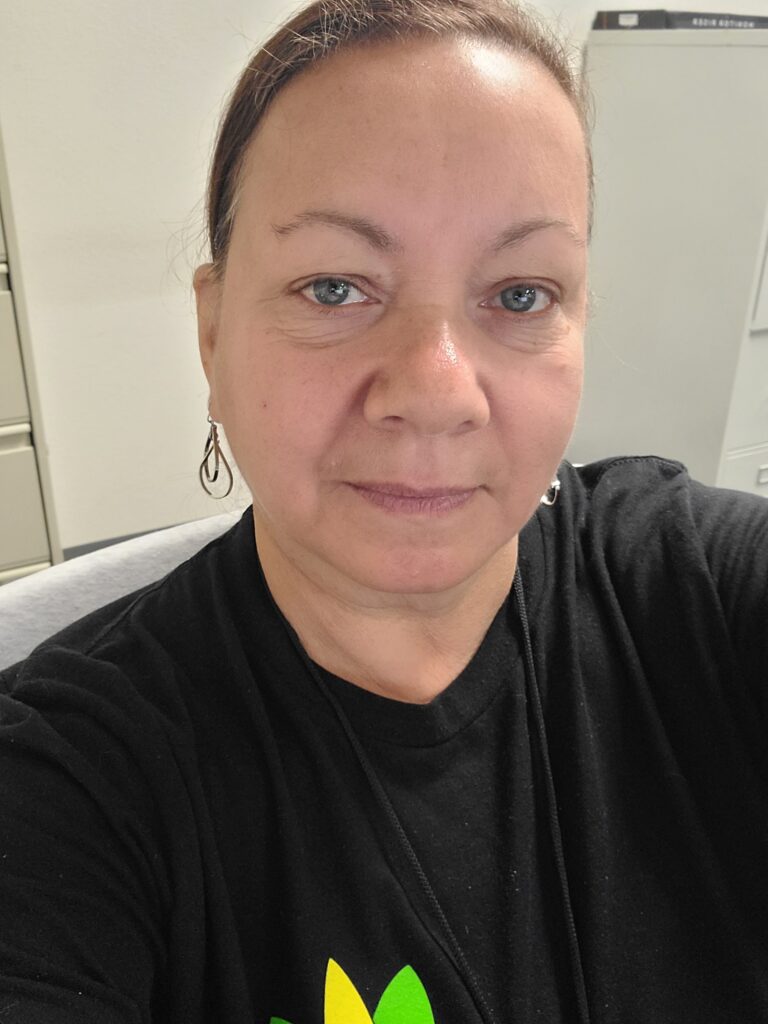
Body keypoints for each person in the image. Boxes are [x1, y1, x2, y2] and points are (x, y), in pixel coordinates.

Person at [0, 0, 766, 1021]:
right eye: (332, 287)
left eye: (523, 294)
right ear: (215, 330)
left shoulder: (694, 598)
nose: (435, 389)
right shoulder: (62, 784)